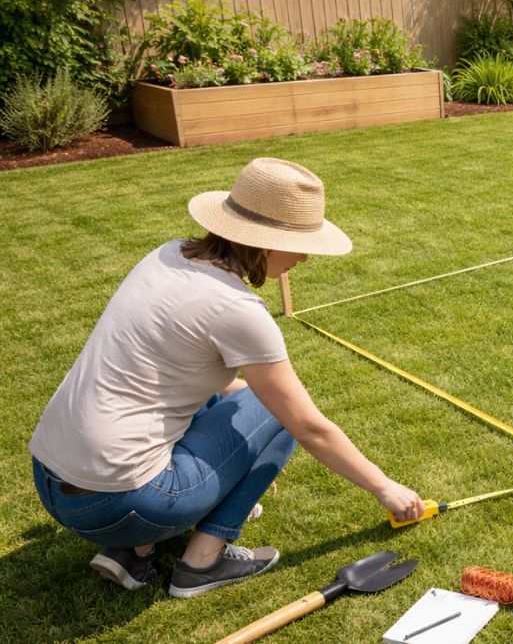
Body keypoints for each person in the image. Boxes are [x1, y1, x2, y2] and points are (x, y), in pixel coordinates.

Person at [29, 158, 425, 598]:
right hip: (122, 504)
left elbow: (190, 373)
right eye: (299, 243)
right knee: (276, 412)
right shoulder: (237, 310)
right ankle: (201, 563)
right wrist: (386, 488)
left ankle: (133, 551)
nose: (306, 256)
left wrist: (240, 432)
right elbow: (309, 427)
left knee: (244, 404)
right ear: (265, 242)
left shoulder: (168, 254)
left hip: (51, 481)